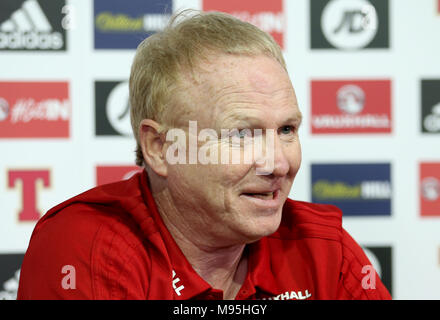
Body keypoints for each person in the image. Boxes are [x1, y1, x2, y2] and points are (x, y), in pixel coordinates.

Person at [17, 10, 391, 300]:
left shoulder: (323, 248)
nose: (278, 163)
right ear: (161, 148)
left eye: (287, 130)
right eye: (243, 134)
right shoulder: (88, 247)